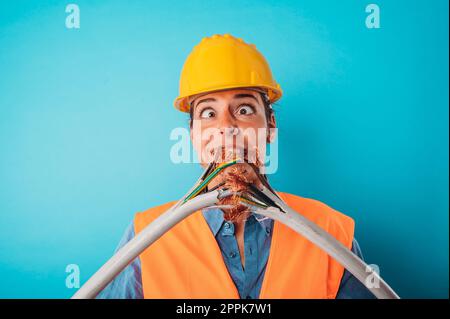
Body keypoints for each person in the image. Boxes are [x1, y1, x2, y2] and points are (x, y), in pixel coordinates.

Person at [97, 34, 375, 299]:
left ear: (270, 127)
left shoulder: (331, 232)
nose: (226, 127)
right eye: (208, 113)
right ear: (193, 135)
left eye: (244, 110)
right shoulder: (146, 237)